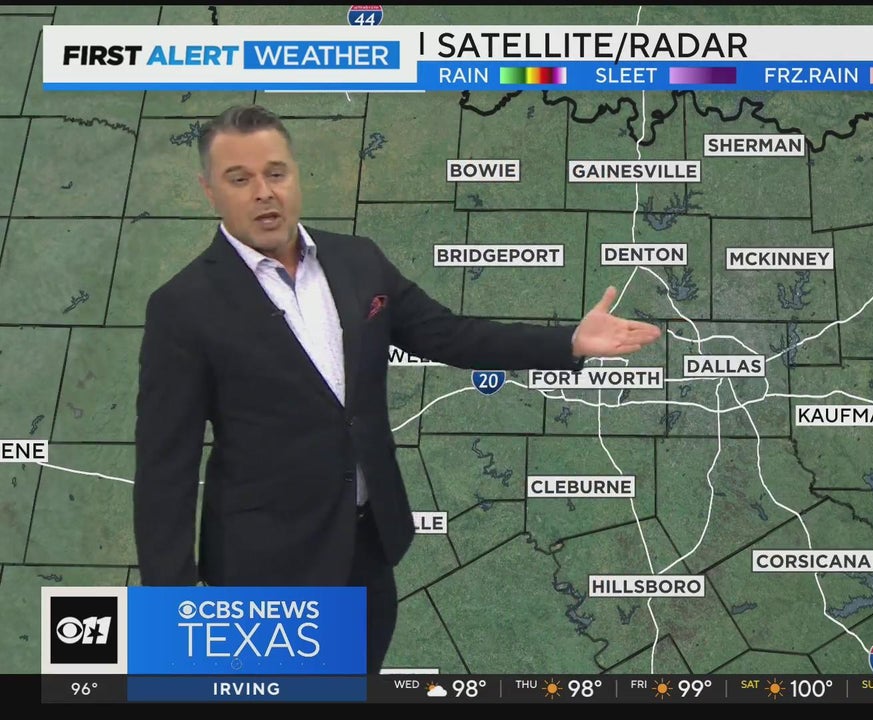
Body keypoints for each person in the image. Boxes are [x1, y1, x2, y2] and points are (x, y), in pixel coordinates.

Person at [132, 104, 661, 674]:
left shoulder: (357, 261)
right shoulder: (182, 308)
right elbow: (166, 472)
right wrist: (172, 614)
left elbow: (451, 335)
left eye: (276, 173)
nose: (264, 192)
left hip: (367, 552)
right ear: (209, 190)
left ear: (295, 176)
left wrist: (569, 343)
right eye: (240, 179)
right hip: (267, 570)